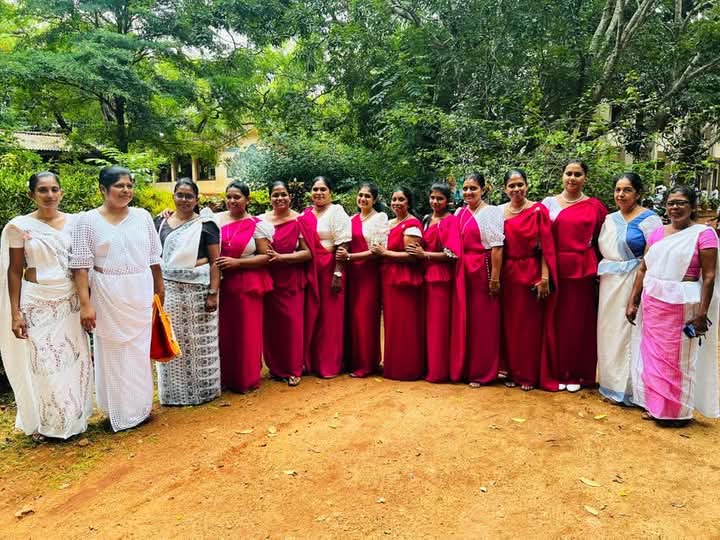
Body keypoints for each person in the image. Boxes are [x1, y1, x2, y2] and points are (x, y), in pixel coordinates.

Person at [0, 172, 93, 441]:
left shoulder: (76, 223)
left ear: (61, 193)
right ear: (32, 194)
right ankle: (49, 422)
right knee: (44, 362)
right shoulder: (19, 227)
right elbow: (15, 270)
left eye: (54, 189)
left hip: (70, 301)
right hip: (37, 303)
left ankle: (73, 419)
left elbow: (83, 264)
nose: (49, 195)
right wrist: (15, 313)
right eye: (43, 190)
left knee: (72, 360)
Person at [70, 166, 163, 432]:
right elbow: (80, 266)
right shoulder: (87, 221)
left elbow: (154, 257)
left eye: (129, 185)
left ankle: (140, 408)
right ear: (103, 189)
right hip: (107, 291)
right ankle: (118, 411)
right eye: (119, 186)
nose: (126, 190)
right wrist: (85, 304)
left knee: (138, 352)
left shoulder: (142, 217)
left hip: (140, 289)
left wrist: (159, 287)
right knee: (112, 350)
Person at [627, 185, 719, 425]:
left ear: (693, 206)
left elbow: (709, 276)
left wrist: (702, 313)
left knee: (678, 359)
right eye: (671, 203)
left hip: (684, 302)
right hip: (653, 301)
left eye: (681, 203)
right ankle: (655, 406)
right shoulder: (657, 233)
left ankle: (677, 412)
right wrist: (633, 301)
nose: (675, 207)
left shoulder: (704, 234)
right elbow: (644, 268)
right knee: (653, 356)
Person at [542, 160, 608, 392]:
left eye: (577, 174)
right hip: (554, 267)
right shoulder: (548, 204)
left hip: (582, 270)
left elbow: (603, 239)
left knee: (578, 322)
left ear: (585, 178)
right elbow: (540, 238)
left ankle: (579, 373)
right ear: (562, 175)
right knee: (554, 320)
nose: (572, 178)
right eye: (568, 173)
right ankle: (556, 371)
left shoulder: (595, 207)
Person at [154, 178, 221, 406]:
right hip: (169, 290)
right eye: (180, 195)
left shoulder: (206, 225)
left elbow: (215, 261)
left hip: (199, 291)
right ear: (173, 196)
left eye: (189, 196)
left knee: (200, 342)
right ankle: (173, 395)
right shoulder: (159, 222)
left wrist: (213, 293)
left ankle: (205, 392)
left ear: (196, 199)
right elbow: (154, 258)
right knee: (171, 338)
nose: (184, 200)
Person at [597, 173, 662, 405]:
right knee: (609, 331)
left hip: (635, 279)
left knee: (631, 330)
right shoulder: (610, 219)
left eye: (627, 190)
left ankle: (632, 388)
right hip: (610, 282)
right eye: (618, 190)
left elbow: (653, 256)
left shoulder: (650, 219)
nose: (621, 194)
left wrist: (638, 290)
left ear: (638, 193)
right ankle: (611, 384)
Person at [499, 169, 557, 391]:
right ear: (505, 189)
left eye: (520, 184)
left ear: (527, 185)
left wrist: (545, 277)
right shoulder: (499, 213)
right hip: (508, 274)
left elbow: (546, 247)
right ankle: (512, 371)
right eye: (511, 186)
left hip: (531, 271)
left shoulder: (538, 210)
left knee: (530, 327)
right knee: (510, 325)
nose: (516, 189)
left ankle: (529, 374)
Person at [215, 181, 274, 393]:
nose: (232, 201)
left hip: (247, 283)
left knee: (247, 331)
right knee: (225, 332)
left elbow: (266, 256)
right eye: (229, 197)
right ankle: (225, 377)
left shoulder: (257, 225)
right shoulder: (214, 220)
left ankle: (245, 378)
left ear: (247, 200)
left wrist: (237, 263)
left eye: (237, 197)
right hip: (222, 283)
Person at [410, 183, 465, 383]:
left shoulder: (450, 221)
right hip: (424, 276)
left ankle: (439, 370)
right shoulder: (426, 219)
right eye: (432, 197)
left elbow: (453, 254)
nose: (435, 201)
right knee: (426, 324)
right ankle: (427, 365)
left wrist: (425, 254)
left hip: (440, 277)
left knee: (438, 325)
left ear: (447, 201)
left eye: (440, 198)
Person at [299, 176, 351, 378]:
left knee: (330, 317)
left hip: (330, 268)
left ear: (330, 192)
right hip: (310, 269)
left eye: (323, 189)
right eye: (315, 189)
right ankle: (310, 362)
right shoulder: (305, 214)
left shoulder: (336, 212)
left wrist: (338, 273)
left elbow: (343, 244)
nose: (319, 193)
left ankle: (329, 364)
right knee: (312, 314)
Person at [455, 173, 505, 386]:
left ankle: (483, 371)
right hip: (462, 270)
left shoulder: (491, 212)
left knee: (483, 322)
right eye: (465, 188)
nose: (468, 192)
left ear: (483, 190)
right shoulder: (459, 212)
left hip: (481, 269)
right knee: (465, 319)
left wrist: (494, 278)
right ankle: (465, 367)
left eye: (473, 188)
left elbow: (497, 247)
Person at [372, 187, 425, 380]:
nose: (396, 203)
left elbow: (413, 256)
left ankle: (408, 367)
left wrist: (385, 253)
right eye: (394, 199)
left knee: (405, 322)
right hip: (388, 277)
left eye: (401, 199)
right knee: (392, 322)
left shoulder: (412, 224)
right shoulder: (389, 223)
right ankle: (393, 365)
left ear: (408, 202)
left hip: (404, 279)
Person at [262, 180, 312, 387]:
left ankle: (293, 368)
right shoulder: (261, 221)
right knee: (272, 326)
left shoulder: (299, 220)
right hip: (268, 278)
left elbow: (308, 253)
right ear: (269, 198)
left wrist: (282, 258)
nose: (279, 198)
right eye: (275, 194)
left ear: (290, 196)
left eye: (283, 194)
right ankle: (275, 367)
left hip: (291, 279)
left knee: (292, 324)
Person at [337, 183, 388, 378]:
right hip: (351, 274)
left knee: (364, 317)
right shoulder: (350, 219)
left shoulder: (380, 218)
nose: (363, 199)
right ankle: (352, 360)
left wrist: (350, 257)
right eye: (360, 195)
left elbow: (377, 250)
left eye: (367, 196)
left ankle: (367, 363)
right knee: (351, 317)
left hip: (368, 273)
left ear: (375, 199)